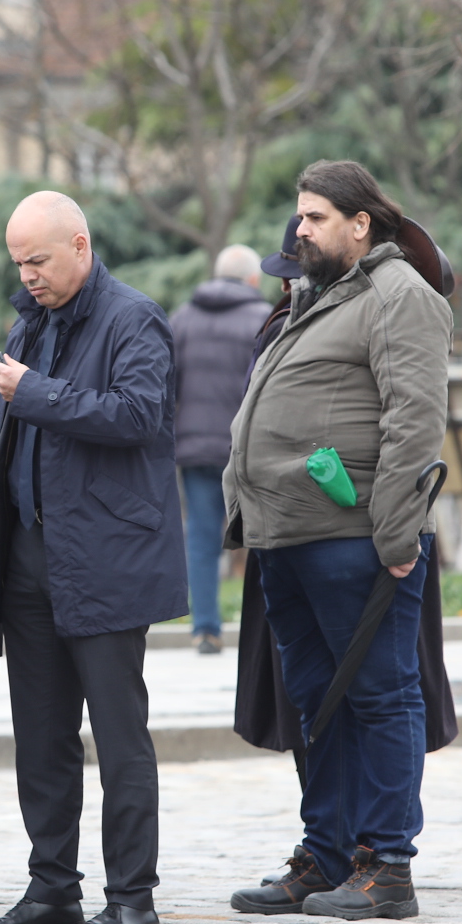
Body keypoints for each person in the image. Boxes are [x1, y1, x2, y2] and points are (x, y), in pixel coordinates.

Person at [0, 190, 186, 924]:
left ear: (80, 247)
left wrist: (38, 392)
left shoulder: (132, 317)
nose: (29, 275)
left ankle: (132, 898)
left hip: (106, 558)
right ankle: (51, 887)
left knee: (120, 738)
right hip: (30, 560)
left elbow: (139, 414)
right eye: (19, 262)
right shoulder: (29, 322)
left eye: (40, 260)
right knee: (41, 737)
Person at [223, 161, 451, 922]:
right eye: (301, 215)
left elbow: (413, 419)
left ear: (362, 223)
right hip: (287, 535)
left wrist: (393, 529)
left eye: (317, 217)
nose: (300, 229)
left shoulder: (399, 296)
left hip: (354, 536)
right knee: (315, 702)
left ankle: (387, 866)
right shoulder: (318, 296)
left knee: (383, 698)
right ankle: (325, 855)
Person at [172, 244, 270, 654]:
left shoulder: (181, 319)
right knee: (265, 536)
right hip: (248, 450)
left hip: (194, 449)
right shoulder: (264, 319)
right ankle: (267, 631)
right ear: (252, 279)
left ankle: (205, 629)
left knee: (200, 536)